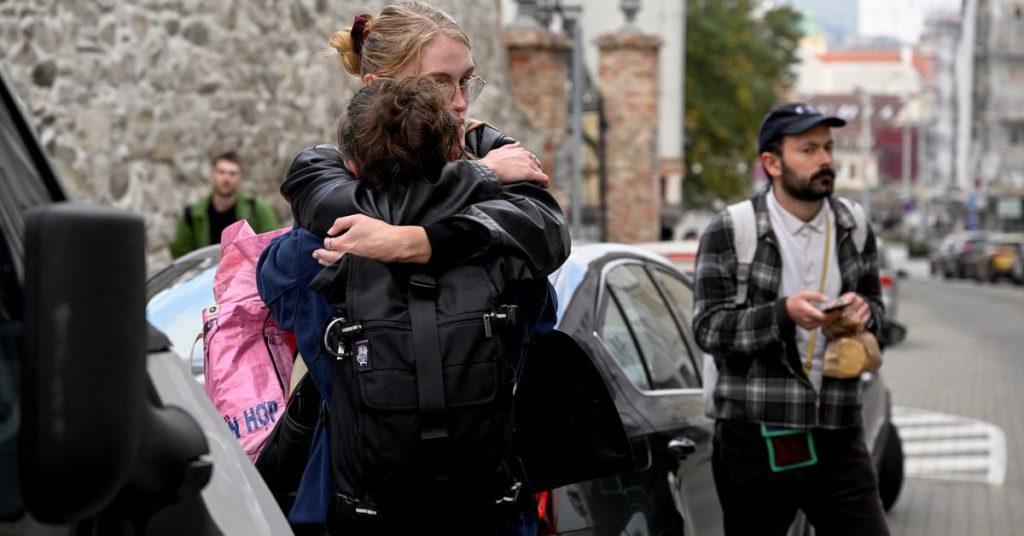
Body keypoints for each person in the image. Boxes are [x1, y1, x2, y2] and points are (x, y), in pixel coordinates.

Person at [257, 3, 569, 534]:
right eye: (441, 83)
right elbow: (542, 307)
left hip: (361, 509)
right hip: (487, 512)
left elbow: (273, 280)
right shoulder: (498, 220)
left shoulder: (314, 246)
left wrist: (414, 240)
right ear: (378, 86)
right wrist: (482, 177)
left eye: (467, 81)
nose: (460, 102)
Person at [692, 102, 889, 535]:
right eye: (809, 150)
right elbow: (708, 328)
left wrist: (864, 313)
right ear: (772, 163)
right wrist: (783, 314)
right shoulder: (732, 229)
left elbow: (878, 311)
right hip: (755, 435)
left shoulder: (852, 226)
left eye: (828, 148)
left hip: (837, 431)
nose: (826, 160)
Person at [169, 151, 280, 258]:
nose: (226, 178)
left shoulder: (256, 208)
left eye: (232, 173)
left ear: (239, 178)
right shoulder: (193, 214)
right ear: (212, 175)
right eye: (221, 172)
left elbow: (273, 243)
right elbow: (182, 255)